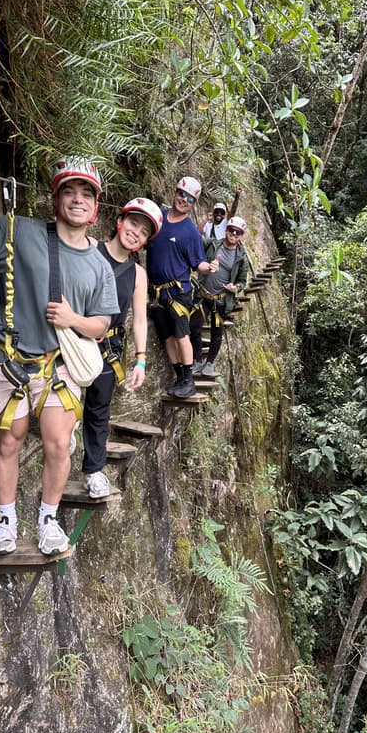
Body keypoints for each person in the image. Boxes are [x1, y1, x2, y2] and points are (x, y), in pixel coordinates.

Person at [0, 158, 119, 556]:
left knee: (59, 445)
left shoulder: (100, 266)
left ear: (95, 206)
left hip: (57, 366)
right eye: (69, 191)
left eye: (86, 194)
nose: (77, 200)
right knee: (8, 444)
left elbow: (101, 325)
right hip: (9, 361)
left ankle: (48, 519)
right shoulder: (18, 232)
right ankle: (6, 521)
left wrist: (72, 318)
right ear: (56, 197)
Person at [82, 197, 162, 499]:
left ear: (144, 243)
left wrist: (140, 360)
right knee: (63, 405)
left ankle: (93, 469)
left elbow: (139, 320)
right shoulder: (89, 248)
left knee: (99, 409)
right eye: (133, 224)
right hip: (74, 337)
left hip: (109, 345)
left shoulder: (138, 275)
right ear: (120, 221)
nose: (135, 233)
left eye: (143, 232)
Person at [146, 176, 219, 398]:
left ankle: (188, 380)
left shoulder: (190, 232)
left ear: (194, 203)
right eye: (181, 194)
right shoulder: (159, 218)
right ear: (175, 192)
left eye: (189, 198)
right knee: (167, 337)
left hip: (178, 293)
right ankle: (180, 377)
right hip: (157, 292)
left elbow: (198, 264)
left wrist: (211, 267)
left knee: (181, 336)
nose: (183, 200)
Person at [190, 215, 249, 377]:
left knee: (217, 332)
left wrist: (235, 287)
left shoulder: (241, 257)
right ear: (226, 230)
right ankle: (196, 360)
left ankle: (209, 363)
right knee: (193, 327)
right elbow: (195, 239)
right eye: (231, 230)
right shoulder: (213, 244)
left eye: (238, 232)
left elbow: (242, 281)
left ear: (241, 235)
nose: (234, 234)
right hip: (203, 296)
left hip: (221, 300)